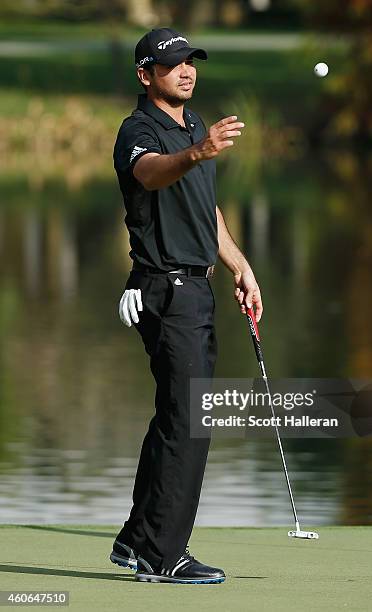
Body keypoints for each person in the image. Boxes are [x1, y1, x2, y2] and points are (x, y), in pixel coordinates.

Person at [111, 27, 263, 584]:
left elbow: (207, 210)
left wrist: (241, 267)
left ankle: (137, 537)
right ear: (145, 74)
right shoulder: (140, 130)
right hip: (166, 290)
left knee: (177, 415)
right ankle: (163, 553)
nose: (186, 71)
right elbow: (149, 173)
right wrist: (196, 153)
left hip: (196, 288)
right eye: (172, 64)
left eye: (190, 62)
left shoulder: (195, 124)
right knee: (190, 420)